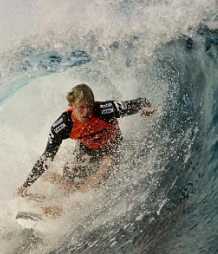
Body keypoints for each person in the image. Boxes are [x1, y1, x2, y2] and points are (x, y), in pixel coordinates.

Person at [16, 83, 156, 198]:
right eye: (81, 107)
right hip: (86, 149)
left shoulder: (104, 110)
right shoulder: (62, 126)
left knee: (101, 173)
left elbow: (140, 102)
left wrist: (146, 108)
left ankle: (70, 205)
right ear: (72, 105)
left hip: (111, 145)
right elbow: (46, 158)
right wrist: (25, 186)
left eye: (89, 106)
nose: (86, 112)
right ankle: (51, 201)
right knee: (68, 185)